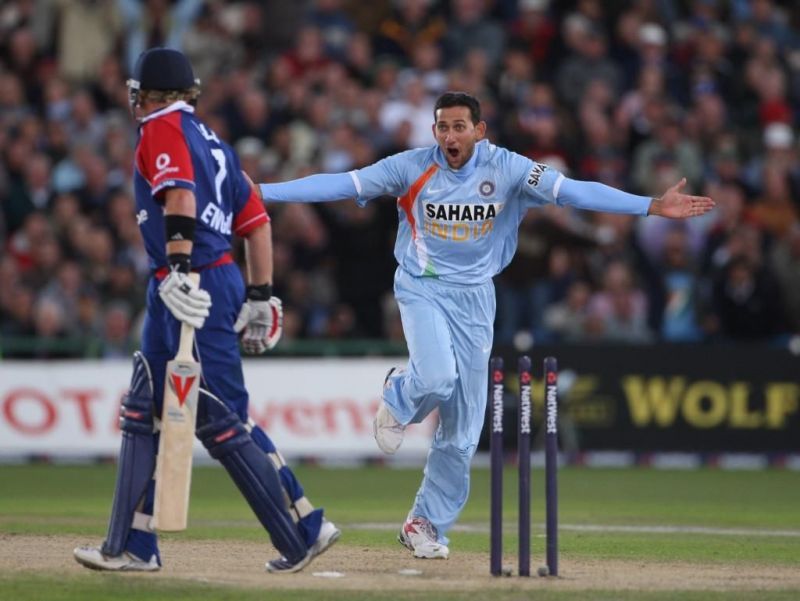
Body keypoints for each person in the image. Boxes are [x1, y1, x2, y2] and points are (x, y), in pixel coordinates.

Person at [255, 91, 714, 559]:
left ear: (480, 130)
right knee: (436, 377)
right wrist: (263, 193)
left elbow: (575, 191)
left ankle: (424, 523)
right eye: (442, 127)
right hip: (422, 286)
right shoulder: (411, 167)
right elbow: (340, 183)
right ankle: (399, 393)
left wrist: (651, 206)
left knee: (464, 428)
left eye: (459, 127)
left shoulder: (511, 168)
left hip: (477, 298)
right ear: (433, 131)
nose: (450, 136)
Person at [73, 48, 339, 574]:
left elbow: (180, 201)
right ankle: (132, 545)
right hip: (204, 278)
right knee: (143, 406)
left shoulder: (160, 128)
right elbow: (257, 222)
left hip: (190, 281)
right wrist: (259, 295)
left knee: (221, 418)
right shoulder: (215, 142)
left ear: (149, 94)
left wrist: (176, 267)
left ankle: (300, 530)